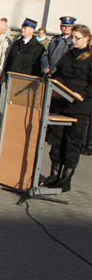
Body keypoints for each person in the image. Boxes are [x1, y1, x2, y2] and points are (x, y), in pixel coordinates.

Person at [43, 24, 91, 192]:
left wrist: (82, 94)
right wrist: (53, 80)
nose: (74, 41)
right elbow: (60, 74)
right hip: (61, 103)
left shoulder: (90, 57)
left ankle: (66, 179)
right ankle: (54, 174)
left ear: (87, 38)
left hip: (79, 106)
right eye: (73, 37)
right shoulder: (68, 54)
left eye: (77, 38)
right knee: (56, 141)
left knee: (72, 143)